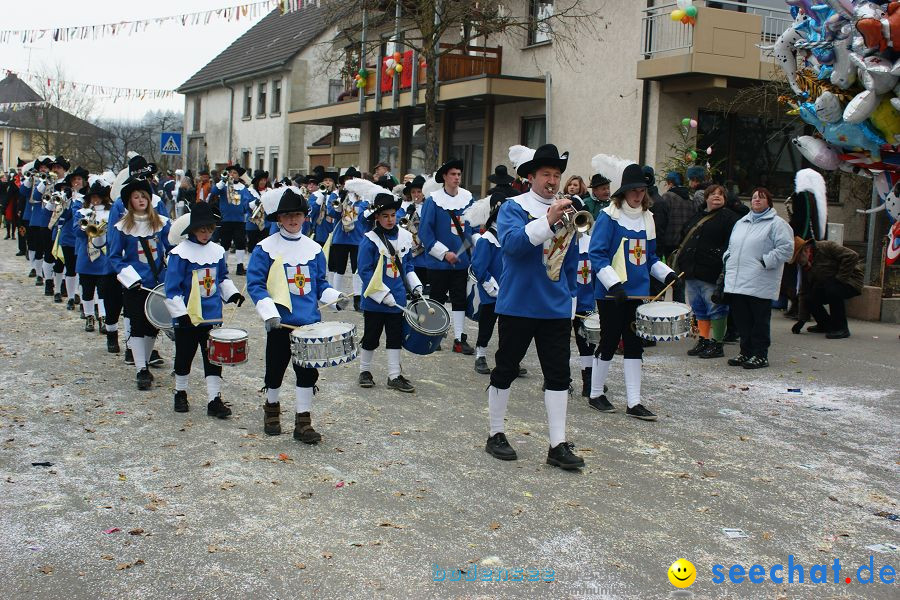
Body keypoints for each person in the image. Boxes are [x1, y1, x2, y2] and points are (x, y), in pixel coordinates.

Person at [485, 143, 584, 470]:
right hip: (518, 304)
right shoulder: (513, 207)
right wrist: (548, 219)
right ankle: (495, 432)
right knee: (506, 369)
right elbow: (512, 247)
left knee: (558, 375)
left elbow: (570, 261)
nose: (553, 181)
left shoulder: (567, 212)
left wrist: (571, 301)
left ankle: (557, 444)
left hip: (554, 306)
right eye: (546, 174)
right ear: (531, 177)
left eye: (557, 175)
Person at [246, 186, 344, 443]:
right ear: (278, 218)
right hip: (280, 324)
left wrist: (335, 298)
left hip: (308, 325)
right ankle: (272, 410)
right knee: (275, 369)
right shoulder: (265, 248)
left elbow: (320, 283)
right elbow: (255, 284)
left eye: (297, 214)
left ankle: (303, 421)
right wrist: (268, 312)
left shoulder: (313, 248)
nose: (292, 219)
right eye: (287, 215)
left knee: (307, 373)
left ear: (305, 216)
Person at [588, 163, 677, 421]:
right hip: (610, 292)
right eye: (634, 190)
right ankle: (595, 394)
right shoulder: (609, 216)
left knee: (635, 344)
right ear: (624, 192)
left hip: (638, 293)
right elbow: (597, 254)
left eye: (642, 190)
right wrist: (613, 284)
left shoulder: (648, 218)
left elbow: (649, 257)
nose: (638, 195)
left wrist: (667, 273)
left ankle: (634, 401)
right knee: (609, 340)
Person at [164, 203, 244, 416]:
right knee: (184, 356)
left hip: (211, 315)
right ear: (192, 230)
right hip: (187, 317)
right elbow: (172, 290)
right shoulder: (179, 254)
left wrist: (232, 293)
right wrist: (180, 314)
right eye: (202, 229)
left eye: (210, 229)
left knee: (213, 358)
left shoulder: (217, 251)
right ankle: (180, 393)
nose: (206, 234)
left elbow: (222, 278)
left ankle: (214, 400)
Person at [108, 177, 172, 390]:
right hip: (136, 285)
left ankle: (144, 361)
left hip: (157, 285)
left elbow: (171, 249)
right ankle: (141, 369)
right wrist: (129, 277)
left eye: (144, 196)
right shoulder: (121, 228)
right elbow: (115, 257)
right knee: (136, 325)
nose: (141, 199)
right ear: (129, 202)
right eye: (136, 197)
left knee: (153, 326)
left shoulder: (162, 223)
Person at [356, 191, 423, 392]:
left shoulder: (404, 236)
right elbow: (365, 271)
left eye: (393, 215)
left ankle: (394, 375)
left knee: (395, 337)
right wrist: (383, 295)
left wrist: (416, 285)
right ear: (377, 217)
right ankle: (364, 370)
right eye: (385, 216)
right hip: (376, 300)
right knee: (371, 337)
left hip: (399, 299)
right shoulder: (369, 240)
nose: (390, 219)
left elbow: (408, 265)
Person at [721, 187, 794, 369]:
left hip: (760, 280)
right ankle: (745, 352)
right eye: (754, 197)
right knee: (742, 320)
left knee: (759, 320)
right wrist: (727, 257)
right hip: (737, 281)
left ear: (769, 201)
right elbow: (732, 246)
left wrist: (765, 261)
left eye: (761, 198)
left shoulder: (777, 224)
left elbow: (786, 249)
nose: (757, 200)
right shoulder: (741, 222)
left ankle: (760, 354)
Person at [674, 184, 740, 359]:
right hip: (692, 270)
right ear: (706, 198)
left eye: (720, 194)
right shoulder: (697, 216)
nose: (716, 197)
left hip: (713, 271)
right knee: (699, 308)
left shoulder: (730, 218)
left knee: (716, 308)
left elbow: (731, 244)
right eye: (713, 194)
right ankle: (704, 339)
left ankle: (717, 343)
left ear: (725, 199)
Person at [418, 158, 476, 354]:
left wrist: (475, 247)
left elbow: (473, 228)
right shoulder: (432, 200)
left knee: (460, 300)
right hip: (438, 263)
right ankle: (434, 337)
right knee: (437, 299)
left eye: (459, 174)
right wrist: (444, 254)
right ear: (444, 177)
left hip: (461, 262)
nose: (457, 178)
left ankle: (459, 339)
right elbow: (425, 233)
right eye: (453, 174)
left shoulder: (468, 198)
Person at [73, 175, 122, 351]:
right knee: (87, 289)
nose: (95, 200)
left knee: (104, 291)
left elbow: (113, 235)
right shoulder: (82, 212)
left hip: (103, 258)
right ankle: (88, 316)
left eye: (97, 197)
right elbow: (76, 234)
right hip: (86, 257)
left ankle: (102, 316)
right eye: (92, 197)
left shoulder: (110, 213)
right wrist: (84, 226)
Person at [790, 237, 863, 339]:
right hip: (828, 284)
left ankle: (841, 328)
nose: (797, 262)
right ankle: (825, 325)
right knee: (809, 298)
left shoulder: (826, 247)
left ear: (806, 250)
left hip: (850, 281)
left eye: (797, 258)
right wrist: (802, 320)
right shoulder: (805, 265)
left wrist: (840, 279)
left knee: (833, 289)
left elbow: (852, 256)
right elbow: (804, 291)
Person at [324, 167, 369, 309]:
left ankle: (357, 298)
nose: (349, 183)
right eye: (347, 180)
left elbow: (365, 216)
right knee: (339, 268)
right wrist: (341, 201)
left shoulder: (363, 198)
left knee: (357, 269)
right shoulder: (336, 195)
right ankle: (336, 297)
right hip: (340, 238)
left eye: (353, 180)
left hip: (358, 238)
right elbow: (331, 212)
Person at [209, 163, 250, 275]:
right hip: (226, 219)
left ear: (238, 176)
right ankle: (224, 264)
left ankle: (240, 265)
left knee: (240, 243)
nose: (232, 174)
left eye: (235, 173)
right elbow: (214, 192)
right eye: (231, 172)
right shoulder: (224, 186)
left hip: (239, 220)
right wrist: (223, 181)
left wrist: (245, 210)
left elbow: (247, 202)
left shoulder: (243, 188)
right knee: (225, 243)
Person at [245, 169, 270, 253]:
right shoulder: (249, 191)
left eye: (264, 180)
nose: (263, 182)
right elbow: (245, 206)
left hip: (266, 224)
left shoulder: (270, 191)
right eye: (261, 180)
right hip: (252, 224)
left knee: (265, 247)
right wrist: (255, 203)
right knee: (252, 247)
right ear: (257, 181)